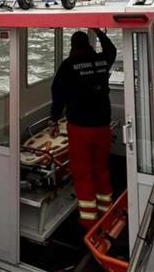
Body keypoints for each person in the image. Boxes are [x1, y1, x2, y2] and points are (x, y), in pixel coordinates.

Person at [50, 29, 117, 228]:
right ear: (88, 43)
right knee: (101, 169)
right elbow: (111, 50)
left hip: (80, 128)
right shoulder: (102, 61)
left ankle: (90, 223)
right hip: (103, 127)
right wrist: (99, 31)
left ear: (72, 46)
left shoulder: (68, 66)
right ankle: (107, 215)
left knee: (83, 173)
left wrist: (54, 121)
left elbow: (58, 96)